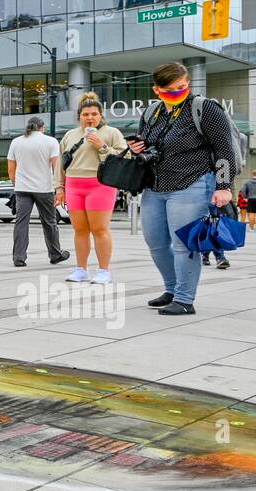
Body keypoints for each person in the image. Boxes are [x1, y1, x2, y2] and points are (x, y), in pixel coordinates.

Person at [128, 61, 237, 315]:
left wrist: (223, 185)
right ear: (157, 90)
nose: (179, 92)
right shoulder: (152, 112)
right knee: (155, 242)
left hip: (192, 183)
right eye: (172, 89)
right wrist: (138, 148)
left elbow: (224, 149)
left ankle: (185, 299)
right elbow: (147, 142)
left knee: (183, 244)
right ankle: (172, 289)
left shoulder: (204, 109)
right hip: (154, 185)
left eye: (183, 87)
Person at [55, 95, 123, 284]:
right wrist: (59, 188)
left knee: (100, 229)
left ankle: (103, 271)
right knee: (80, 229)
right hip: (74, 184)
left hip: (100, 184)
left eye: (94, 114)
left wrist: (102, 146)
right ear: (79, 116)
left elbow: (123, 157)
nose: (90, 117)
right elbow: (61, 163)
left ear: (101, 115)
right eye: (86, 114)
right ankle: (81, 269)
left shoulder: (112, 133)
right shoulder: (70, 135)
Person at [8, 115, 69, 269]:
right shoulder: (50, 141)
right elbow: (56, 167)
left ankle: (19, 257)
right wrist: (59, 188)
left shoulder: (16, 142)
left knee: (21, 222)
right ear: (42, 128)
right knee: (49, 221)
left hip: (22, 189)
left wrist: (17, 183)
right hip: (45, 188)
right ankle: (55, 254)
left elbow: (11, 169)